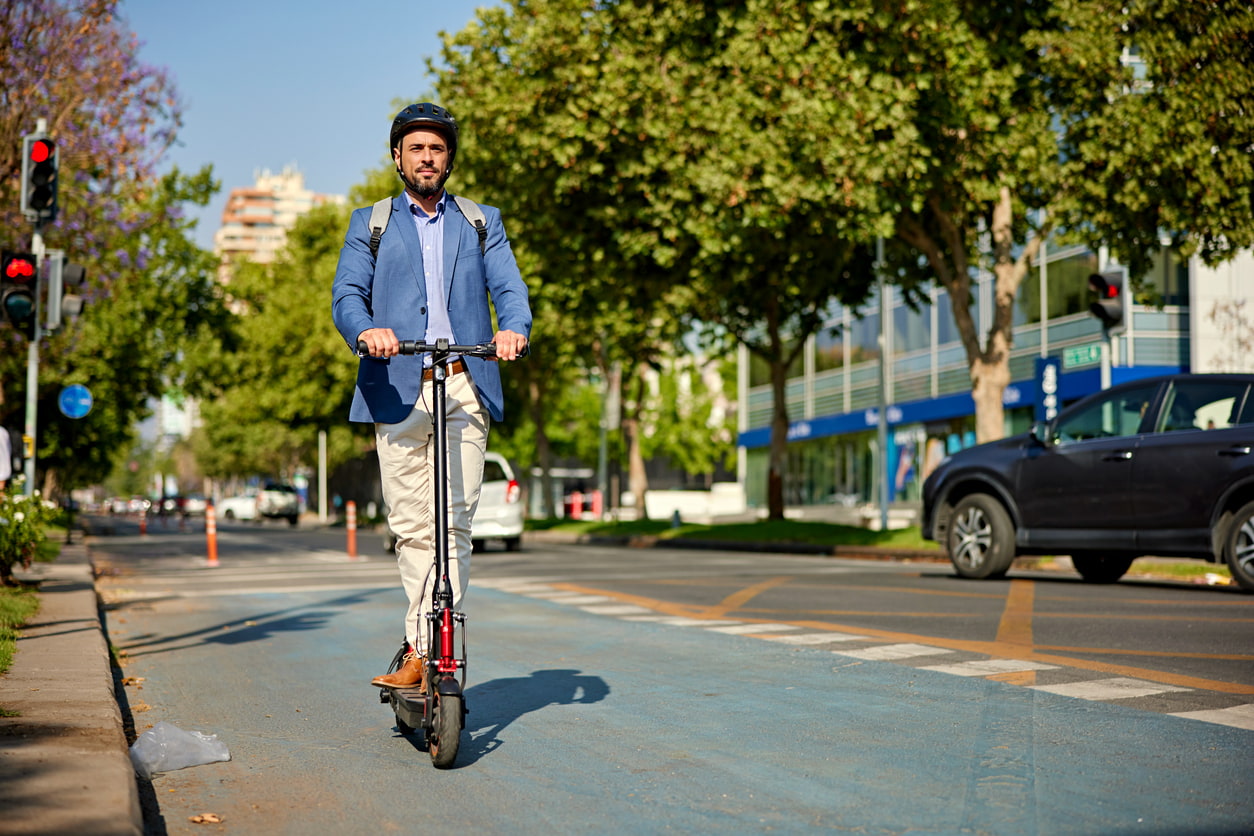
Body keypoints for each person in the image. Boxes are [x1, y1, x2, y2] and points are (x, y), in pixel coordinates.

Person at [332, 102, 531, 692]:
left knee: (457, 525)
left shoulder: (479, 221)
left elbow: (509, 288)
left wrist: (513, 328)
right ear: (398, 157)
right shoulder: (368, 222)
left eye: (437, 148)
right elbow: (347, 295)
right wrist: (366, 330)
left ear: (449, 159)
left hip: (466, 381)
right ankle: (421, 644)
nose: (427, 157)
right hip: (396, 386)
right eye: (416, 148)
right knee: (415, 527)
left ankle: (430, 646)